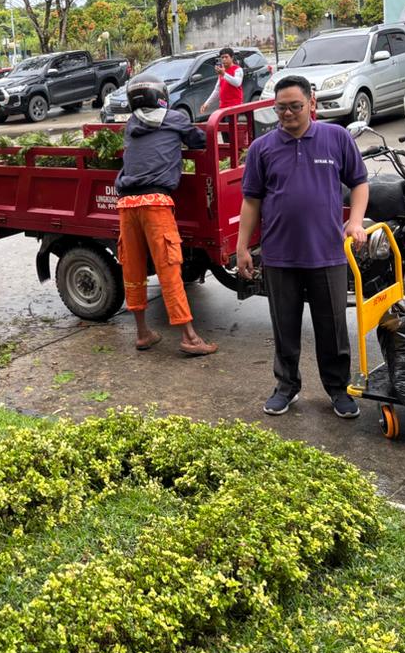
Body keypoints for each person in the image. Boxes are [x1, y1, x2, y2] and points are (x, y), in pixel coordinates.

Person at [236, 74, 369, 418]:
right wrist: (242, 247)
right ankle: (286, 386)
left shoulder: (336, 137)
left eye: (295, 106)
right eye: (281, 108)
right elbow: (251, 201)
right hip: (279, 254)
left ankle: (338, 390)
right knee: (284, 326)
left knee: (333, 327)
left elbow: (359, 183)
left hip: (327, 252)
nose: (288, 114)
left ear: (312, 103)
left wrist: (355, 221)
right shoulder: (262, 149)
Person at [116, 74, 218, 356]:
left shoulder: (131, 123)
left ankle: (142, 334)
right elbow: (199, 141)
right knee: (169, 270)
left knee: (133, 269)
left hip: (126, 203)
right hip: (155, 202)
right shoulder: (174, 118)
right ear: (161, 96)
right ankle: (189, 338)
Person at [199, 47, 244, 117]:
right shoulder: (222, 71)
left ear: (232, 58)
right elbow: (217, 90)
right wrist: (207, 103)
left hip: (234, 106)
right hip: (223, 106)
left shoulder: (238, 69)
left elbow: (237, 83)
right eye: (222, 57)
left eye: (226, 57)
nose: (224, 59)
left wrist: (224, 74)